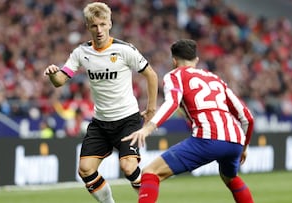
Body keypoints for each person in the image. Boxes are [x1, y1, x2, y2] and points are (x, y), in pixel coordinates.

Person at [43, 2, 158, 203]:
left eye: (103, 24)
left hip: (127, 120)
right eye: (94, 25)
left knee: (129, 167)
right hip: (101, 123)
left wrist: (151, 109)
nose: (99, 30)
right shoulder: (81, 53)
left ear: (110, 24)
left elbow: (151, 75)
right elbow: (60, 81)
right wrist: (53, 74)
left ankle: (147, 198)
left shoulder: (124, 50)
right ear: (88, 27)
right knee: (85, 169)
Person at [122, 39, 254, 203]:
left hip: (208, 138)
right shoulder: (215, 79)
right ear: (196, 60)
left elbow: (172, 103)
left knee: (150, 172)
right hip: (235, 141)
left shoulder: (175, 75)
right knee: (230, 178)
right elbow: (247, 117)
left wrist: (147, 128)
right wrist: (245, 147)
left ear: (174, 61)